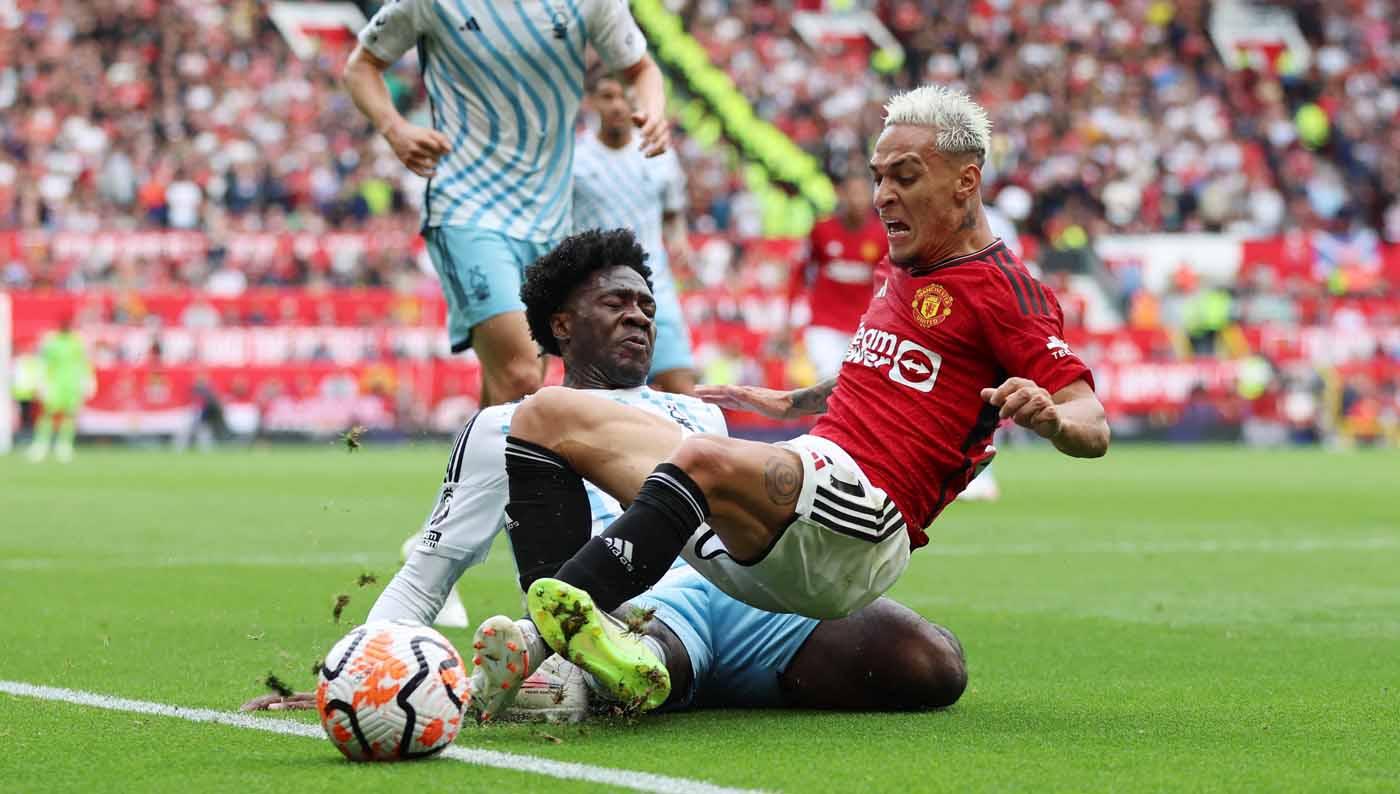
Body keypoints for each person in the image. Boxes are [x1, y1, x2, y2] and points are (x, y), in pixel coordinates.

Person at [491, 85, 1110, 710]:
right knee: (547, 416)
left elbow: (1092, 421)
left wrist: (1056, 419)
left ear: (964, 180)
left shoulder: (1004, 290)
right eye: (878, 177)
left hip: (863, 523)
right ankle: (578, 670)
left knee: (702, 457)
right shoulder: (906, 266)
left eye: (905, 176)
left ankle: (536, 646)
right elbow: (889, 374)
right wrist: (794, 404)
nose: (883, 195)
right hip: (804, 499)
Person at [240, 229, 965, 719]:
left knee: (934, 665)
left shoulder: (699, 417)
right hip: (623, 603)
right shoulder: (507, 425)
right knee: (644, 639)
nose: (639, 317)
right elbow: (430, 572)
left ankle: (621, 682)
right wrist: (358, 674)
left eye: (648, 306)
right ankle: (607, 669)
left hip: (743, 600)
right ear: (561, 323)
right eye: (616, 302)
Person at [342, 0, 668, 407]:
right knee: (517, 373)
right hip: (465, 204)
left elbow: (640, 68)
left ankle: (470, 472)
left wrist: (654, 110)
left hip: (549, 218)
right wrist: (396, 130)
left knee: (522, 377)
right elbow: (362, 65)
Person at [572, 64, 696, 394]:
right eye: (607, 97)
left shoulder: (658, 154)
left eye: (625, 98)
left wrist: (679, 239)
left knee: (681, 387)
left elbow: (672, 213)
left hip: (656, 288)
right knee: (604, 394)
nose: (617, 106)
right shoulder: (575, 159)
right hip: (598, 296)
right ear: (591, 102)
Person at [789, 171, 889, 380]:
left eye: (862, 194)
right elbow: (800, 271)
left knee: (857, 386)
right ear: (841, 195)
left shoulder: (882, 235)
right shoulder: (822, 230)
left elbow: (890, 281)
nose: (857, 200)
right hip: (824, 324)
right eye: (852, 193)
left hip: (863, 326)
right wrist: (790, 312)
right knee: (827, 380)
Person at [27, 314, 94, 464]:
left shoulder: (77, 343)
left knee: (69, 415)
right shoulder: (51, 343)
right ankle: (41, 444)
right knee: (48, 414)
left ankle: (64, 445)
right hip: (54, 384)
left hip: (72, 384)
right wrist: (41, 382)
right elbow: (43, 363)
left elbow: (84, 363)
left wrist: (88, 380)